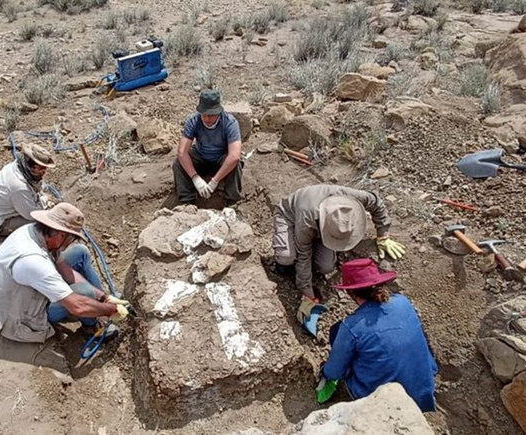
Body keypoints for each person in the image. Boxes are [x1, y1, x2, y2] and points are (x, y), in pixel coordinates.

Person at [0, 202, 129, 344]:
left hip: (17, 293)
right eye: (71, 238)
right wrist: (111, 310)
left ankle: (98, 305)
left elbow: (67, 271)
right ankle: (93, 326)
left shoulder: (37, 232)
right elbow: (78, 306)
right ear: (60, 234)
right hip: (16, 316)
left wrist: (104, 298)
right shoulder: (34, 261)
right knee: (84, 293)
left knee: (80, 252)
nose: (71, 242)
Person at [273, 184, 406, 336]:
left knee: (326, 267)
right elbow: (304, 255)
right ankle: (284, 265)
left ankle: (315, 251)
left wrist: (383, 234)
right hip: (290, 216)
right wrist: (308, 294)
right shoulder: (307, 217)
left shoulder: (351, 200)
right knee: (287, 257)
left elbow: (376, 202)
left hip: (322, 227)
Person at [319, 258, 437, 412]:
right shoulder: (403, 302)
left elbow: (335, 372)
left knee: (337, 332)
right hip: (423, 390)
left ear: (350, 292)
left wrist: (324, 371)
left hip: (384, 404)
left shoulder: (353, 327)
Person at [172, 90, 243, 205]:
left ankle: (232, 202)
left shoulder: (229, 123)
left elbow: (234, 156)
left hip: (221, 158)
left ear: (218, 112)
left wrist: (214, 181)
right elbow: (182, 152)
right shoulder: (193, 121)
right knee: (178, 164)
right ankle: (187, 202)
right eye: (203, 114)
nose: (206, 119)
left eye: (211, 115)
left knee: (235, 164)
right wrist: (195, 178)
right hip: (201, 156)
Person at [0, 142, 55, 236]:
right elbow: (31, 214)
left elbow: (38, 186)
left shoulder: (17, 166)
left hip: (1, 210)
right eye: (42, 169)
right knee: (44, 223)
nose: (44, 172)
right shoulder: (18, 187)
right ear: (32, 167)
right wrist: (45, 200)